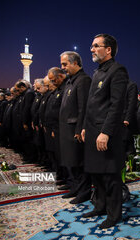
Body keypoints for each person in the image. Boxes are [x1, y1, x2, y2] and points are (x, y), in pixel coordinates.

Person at [81, 34, 129, 229]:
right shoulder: (98, 72)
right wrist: (85, 126)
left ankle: (114, 214)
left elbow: (117, 106)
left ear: (108, 49)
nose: (91, 49)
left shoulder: (117, 71)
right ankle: (100, 206)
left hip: (106, 133)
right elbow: (91, 104)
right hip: (92, 130)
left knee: (110, 175)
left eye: (96, 46)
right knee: (97, 173)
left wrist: (106, 132)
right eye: (91, 46)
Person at [59, 51, 92, 204]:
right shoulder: (70, 81)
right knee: (71, 161)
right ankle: (76, 188)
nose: (63, 67)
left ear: (75, 63)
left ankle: (85, 191)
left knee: (79, 161)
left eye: (65, 64)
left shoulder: (84, 80)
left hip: (75, 130)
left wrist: (80, 129)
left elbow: (83, 108)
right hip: (66, 129)